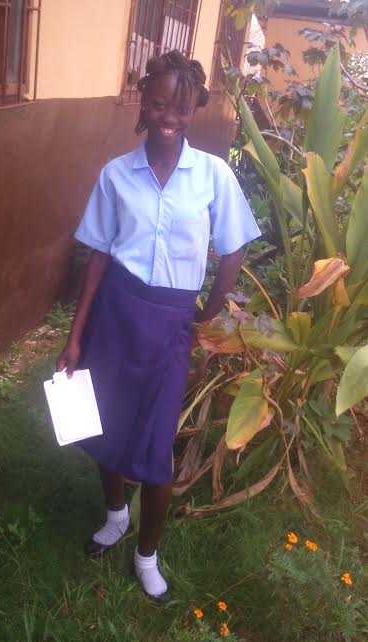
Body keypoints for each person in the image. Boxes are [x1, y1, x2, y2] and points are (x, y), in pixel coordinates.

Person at [57, 50, 260, 603]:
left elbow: (234, 251)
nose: (168, 116)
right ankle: (115, 516)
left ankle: (147, 556)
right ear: (143, 104)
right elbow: (98, 255)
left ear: (193, 108)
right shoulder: (116, 175)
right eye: (158, 104)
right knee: (103, 424)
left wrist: (205, 317)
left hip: (172, 322)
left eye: (180, 106)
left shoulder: (213, 176)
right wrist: (75, 336)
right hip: (115, 315)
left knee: (156, 444)